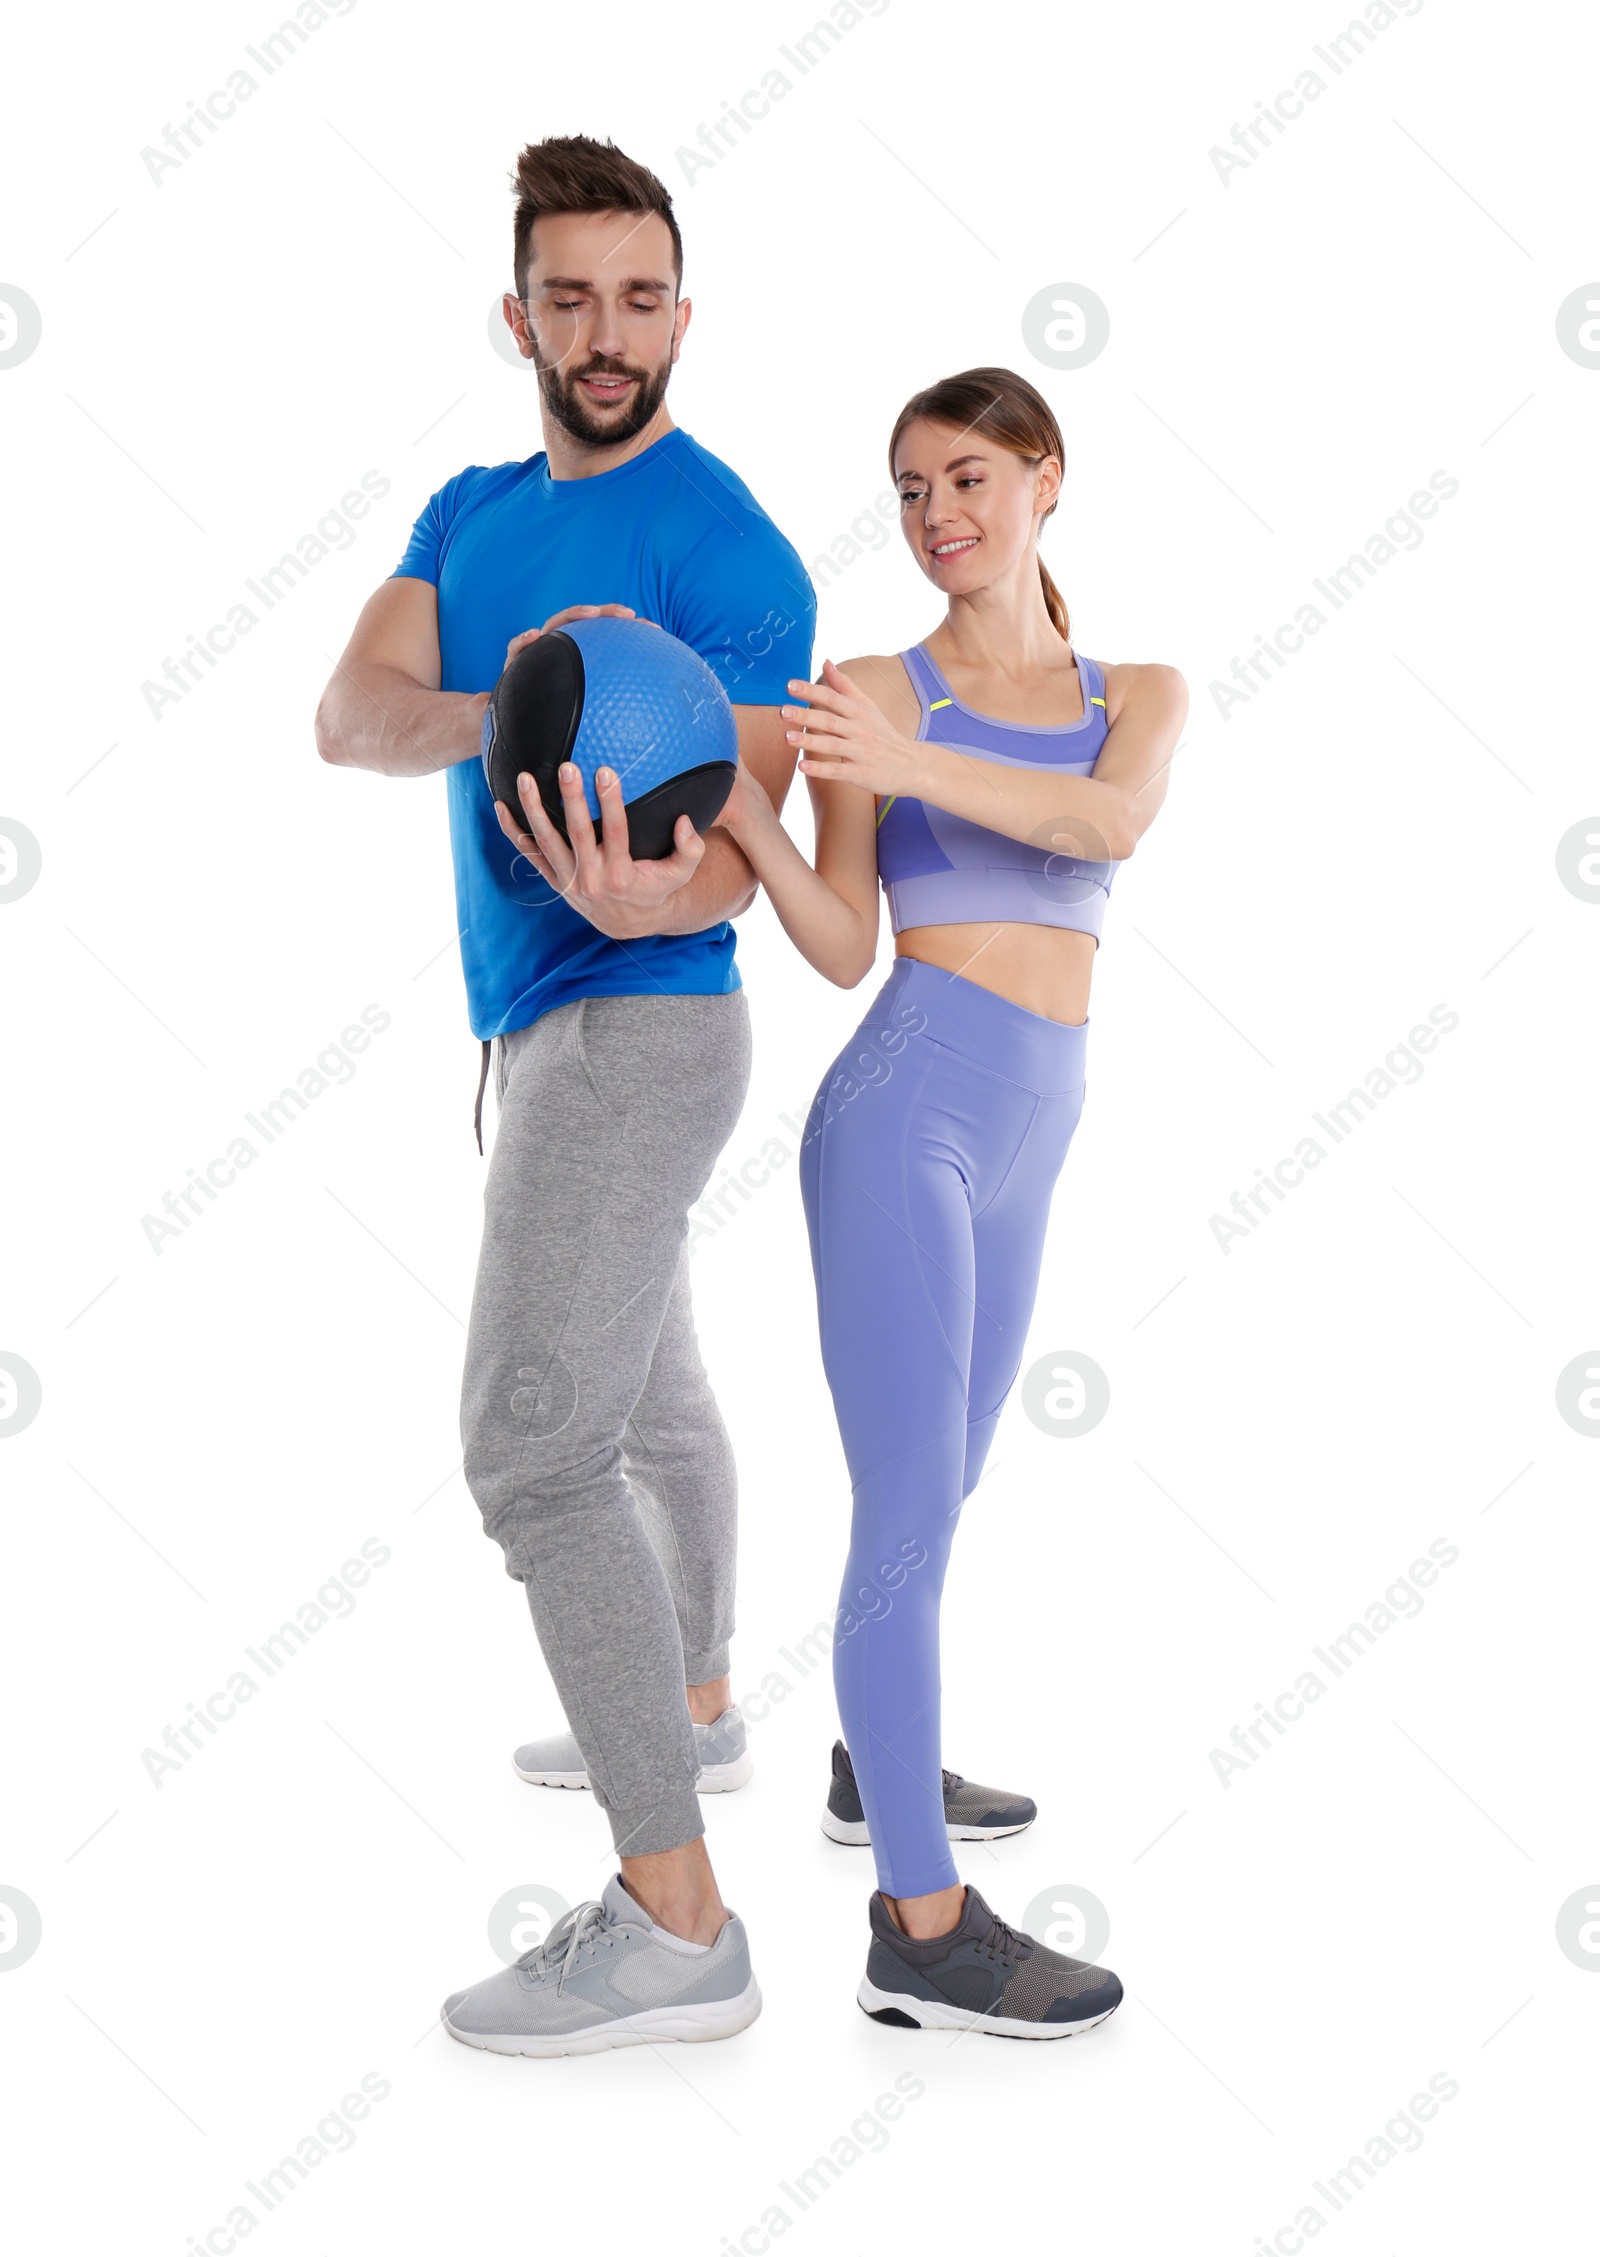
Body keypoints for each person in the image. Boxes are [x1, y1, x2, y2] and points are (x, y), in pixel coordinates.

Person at [316, 135, 815, 2056]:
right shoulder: (470, 510)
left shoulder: (726, 544)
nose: (609, 336)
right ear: (517, 314)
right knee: (654, 1399)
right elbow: (351, 716)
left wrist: (658, 876)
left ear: (685, 312)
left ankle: (675, 1916)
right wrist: (528, 694)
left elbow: (732, 842)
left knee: (534, 1453)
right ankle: (686, 1699)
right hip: (530, 1029)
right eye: (572, 297)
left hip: (647, 1019)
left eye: (642, 297)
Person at [718, 366, 1187, 2038]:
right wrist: (753, 818)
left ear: (1048, 479)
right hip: (904, 1112)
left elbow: (1103, 817)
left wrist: (914, 758)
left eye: (970, 479)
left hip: (1036, 1129)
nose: (938, 519)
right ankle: (918, 1924)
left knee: (952, 1484)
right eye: (911, 491)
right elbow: (845, 941)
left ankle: (878, 1753)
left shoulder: (1138, 689)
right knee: (907, 1507)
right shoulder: (860, 691)